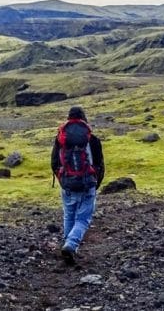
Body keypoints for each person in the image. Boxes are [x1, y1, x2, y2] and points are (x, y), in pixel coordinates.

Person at [50, 106, 105, 264]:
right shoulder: (92, 139)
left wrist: (62, 181)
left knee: (69, 215)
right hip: (88, 184)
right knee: (83, 219)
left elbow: (54, 162)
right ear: (84, 119)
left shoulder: (61, 138)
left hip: (67, 184)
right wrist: (95, 183)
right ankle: (71, 245)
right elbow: (100, 164)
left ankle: (68, 246)